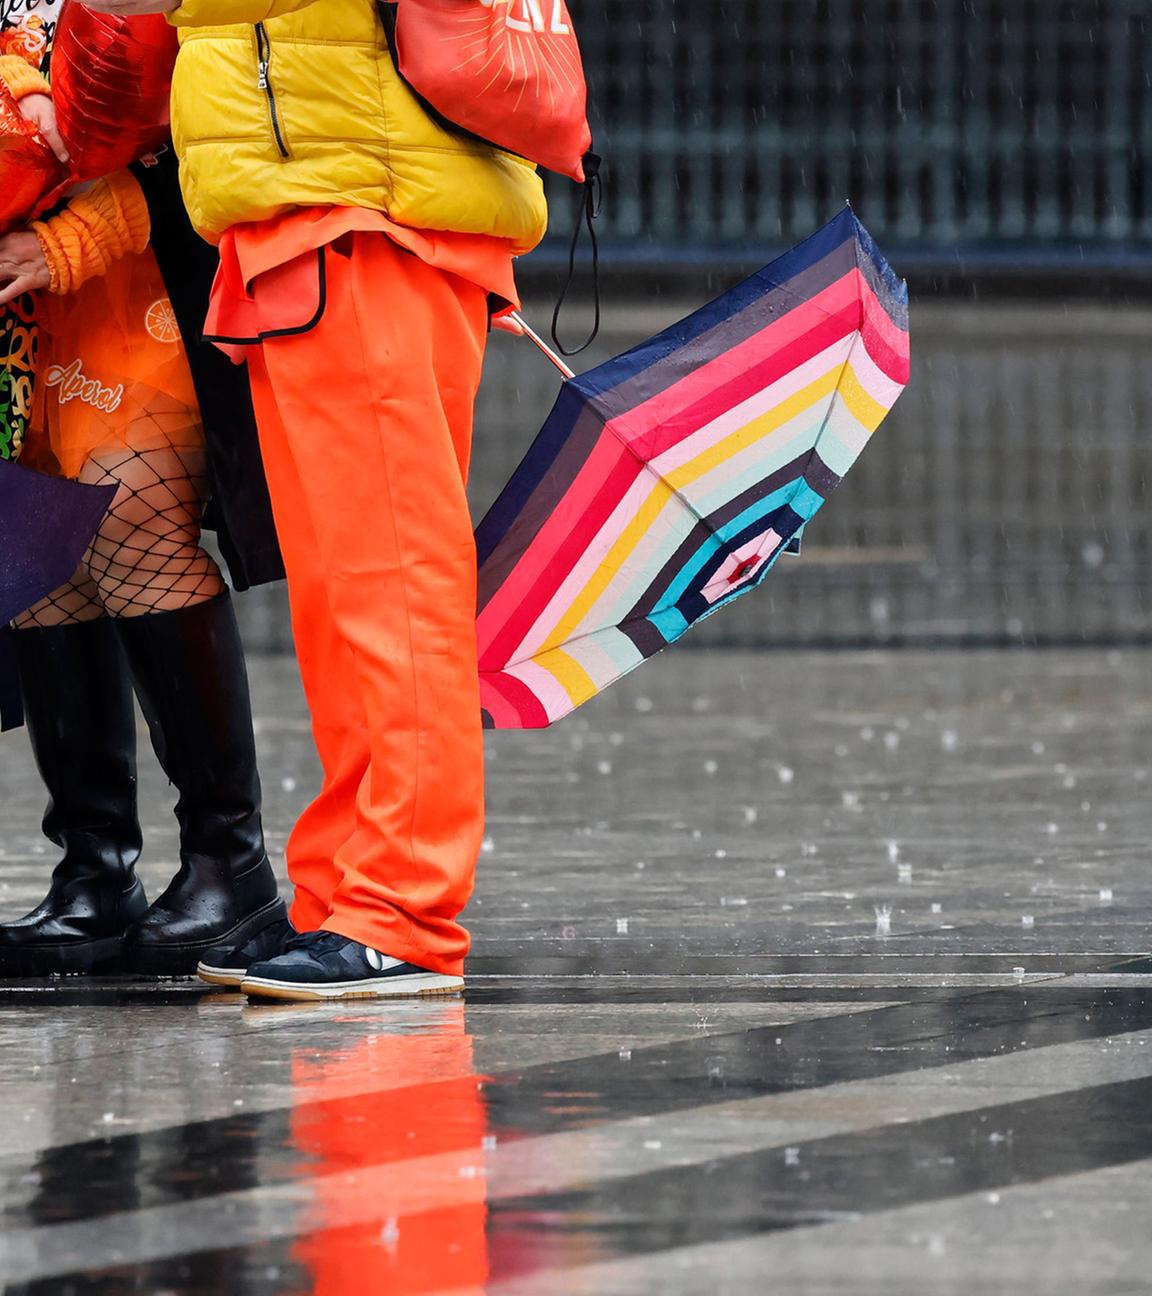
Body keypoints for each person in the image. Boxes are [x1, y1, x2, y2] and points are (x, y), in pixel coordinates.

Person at [82, 0, 548, 1000]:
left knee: (392, 585)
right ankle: (344, 892)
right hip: (303, 214)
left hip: (361, 209)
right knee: (341, 597)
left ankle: (403, 911)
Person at [0, 27, 287, 977]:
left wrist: (71, 233)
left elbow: (202, 121)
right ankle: (94, 871)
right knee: (39, 551)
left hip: (138, 275)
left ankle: (229, 864)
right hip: (22, 307)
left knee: (134, 528)